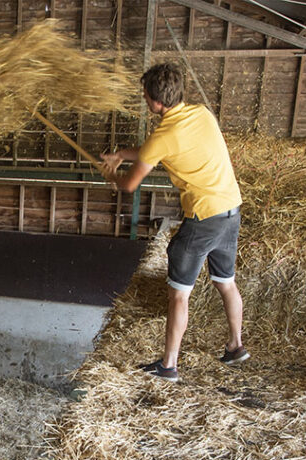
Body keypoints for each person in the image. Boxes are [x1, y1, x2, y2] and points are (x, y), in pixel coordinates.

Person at [101, 62, 248, 383]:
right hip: (231, 211)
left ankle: (168, 365)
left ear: (155, 102)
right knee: (226, 282)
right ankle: (236, 346)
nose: (144, 99)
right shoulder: (202, 114)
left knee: (179, 294)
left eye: (144, 96)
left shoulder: (162, 135)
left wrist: (112, 174)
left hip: (203, 219)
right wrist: (122, 154)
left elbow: (129, 185)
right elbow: (161, 150)